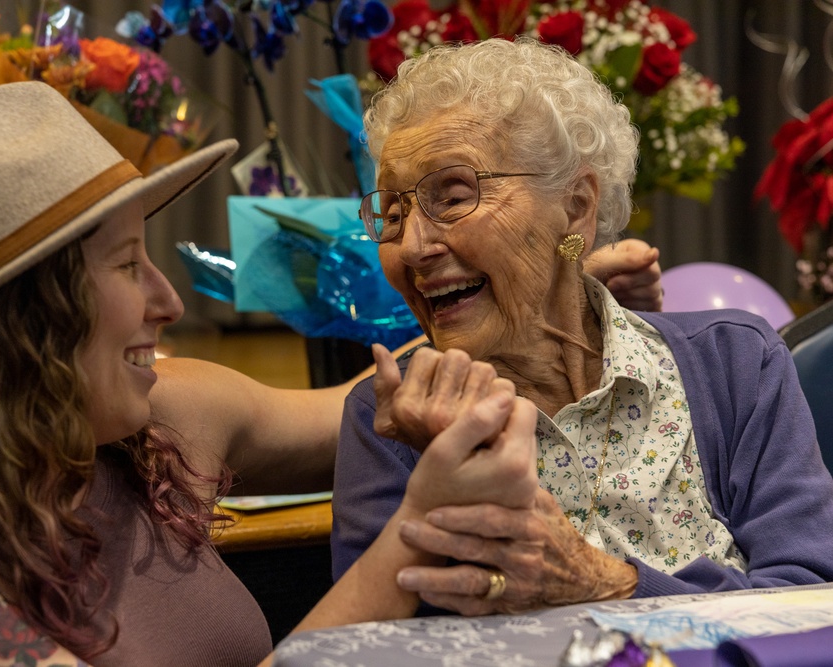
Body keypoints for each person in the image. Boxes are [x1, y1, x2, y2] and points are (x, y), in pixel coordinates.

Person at [0, 80, 566, 666]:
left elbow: (370, 398)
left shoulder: (167, 419)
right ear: (22, 324)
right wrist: (413, 532)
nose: (168, 299)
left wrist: (552, 288)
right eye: (127, 264)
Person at [332, 36, 833, 616]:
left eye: (453, 196)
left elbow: (813, 605)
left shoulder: (734, 363)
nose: (413, 245)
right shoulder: (388, 423)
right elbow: (374, 647)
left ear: (575, 207)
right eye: (393, 214)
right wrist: (452, 475)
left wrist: (609, 582)